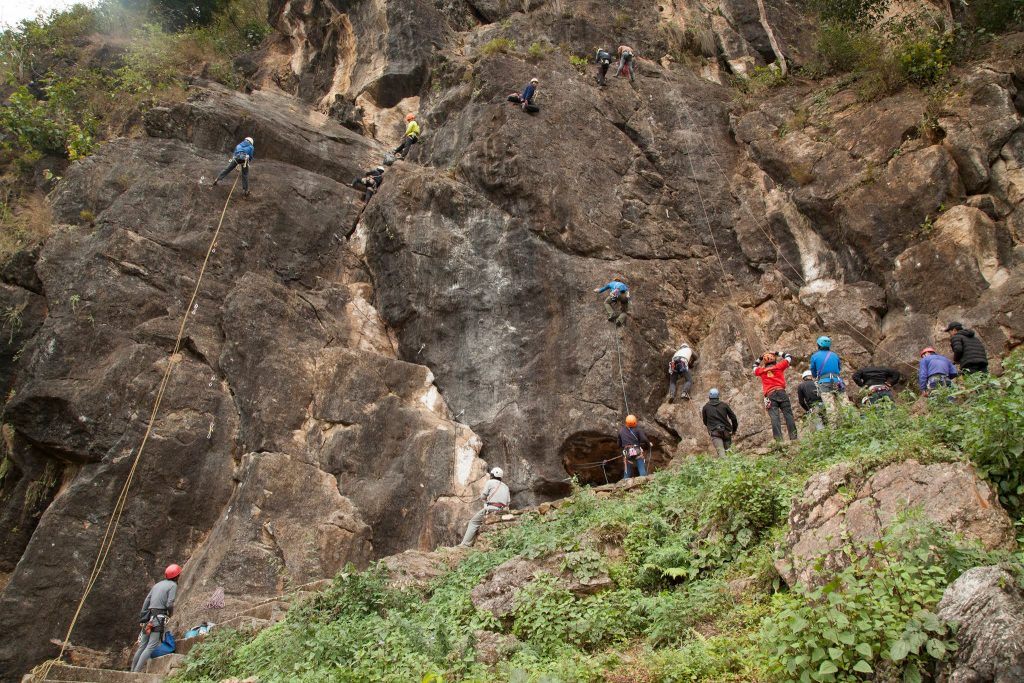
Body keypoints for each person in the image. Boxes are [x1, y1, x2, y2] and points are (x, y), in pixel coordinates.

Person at [130, 564, 181, 673]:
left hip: (148, 617)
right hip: (158, 618)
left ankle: (131, 671)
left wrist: (143, 617)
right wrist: (170, 614)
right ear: (177, 576)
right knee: (151, 646)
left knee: (142, 646)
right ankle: (135, 673)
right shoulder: (173, 585)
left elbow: (147, 600)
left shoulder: (157, 585)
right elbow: (170, 603)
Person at [459, 467, 511, 547]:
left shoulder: (490, 482)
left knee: (473, 522)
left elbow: (483, 496)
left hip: (492, 509)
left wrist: (483, 497)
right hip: (502, 511)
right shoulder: (506, 487)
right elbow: (508, 502)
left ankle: (466, 544)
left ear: (492, 475)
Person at [754, 351, 798, 442]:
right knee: (788, 415)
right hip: (781, 392)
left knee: (774, 417)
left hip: (770, 395)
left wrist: (760, 358)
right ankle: (794, 438)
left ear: (765, 362)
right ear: (774, 360)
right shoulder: (779, 367)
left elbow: (754, 367)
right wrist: (777, 353)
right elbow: (789, 356)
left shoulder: (761, 371)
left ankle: (779, 441)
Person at [809, 336, 846, 424]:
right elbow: (839, 368)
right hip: (837, 381)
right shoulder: (834, 355)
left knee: (830, 407)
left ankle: (834, 428)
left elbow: (813, 372)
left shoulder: (815, 356)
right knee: (844, 403)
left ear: (818, 345)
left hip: (824, 382)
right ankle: (851, 423)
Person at [701, 388, 738, 457]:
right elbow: (733, 418)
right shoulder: (724, 405)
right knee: (729, 452)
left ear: (709, 396)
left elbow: (705, 421)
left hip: (715, 433)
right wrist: (734, 429)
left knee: (722, 454)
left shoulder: (706, 407)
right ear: (718, 396)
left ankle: (725, 466)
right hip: (726, 431)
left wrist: (711, 426)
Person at [618, 414, 653, 479]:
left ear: (626, 422)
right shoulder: (638, 429)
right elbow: (644, 439)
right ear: (635, 422)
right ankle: (644, 481)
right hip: (637, 451)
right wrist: (649, 444)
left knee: (627, 471)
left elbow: (619, 444)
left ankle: (625, 484)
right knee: (641, 468)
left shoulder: (621, 431)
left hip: (627, 452)